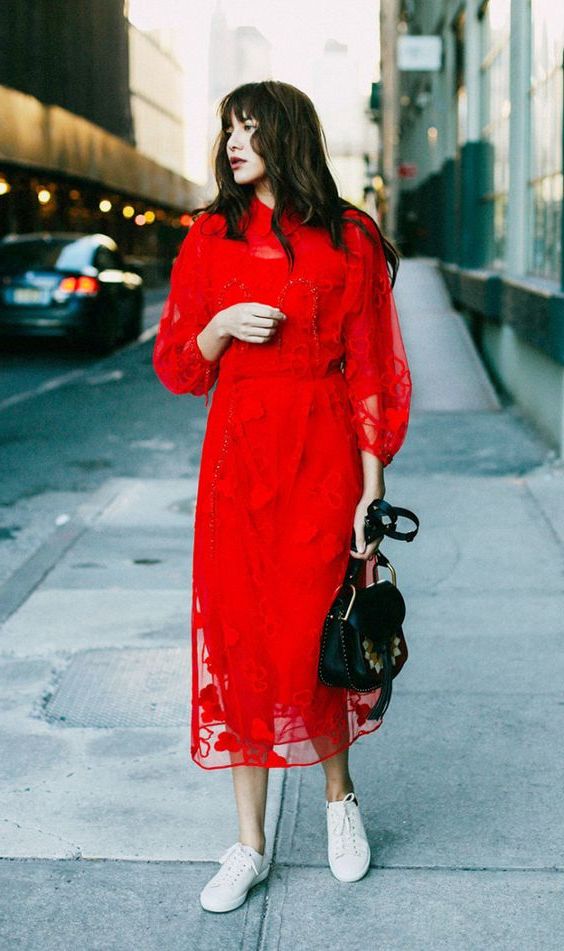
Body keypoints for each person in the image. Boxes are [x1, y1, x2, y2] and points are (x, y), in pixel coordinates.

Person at [152, 80, 412, 913]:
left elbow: (373, 372)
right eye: (228, 128)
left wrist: (371, 499)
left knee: (316, 637)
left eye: (250, 127)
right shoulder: (209, 236)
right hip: (238, 467)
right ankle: (248, 844)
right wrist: (222, 326)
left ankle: (340, 805)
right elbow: (177, 364)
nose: (234, 142)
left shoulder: (349, 238)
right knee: (241, 643)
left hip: (324, 458)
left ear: (287, 134)